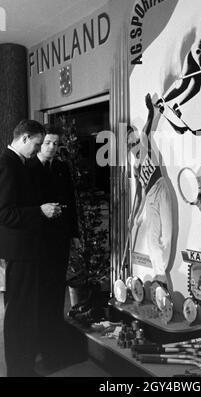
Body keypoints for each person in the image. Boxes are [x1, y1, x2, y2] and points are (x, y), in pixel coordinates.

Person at [0, 120, 61, 377]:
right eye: (37, 144)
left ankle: (22, 367)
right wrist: (40, 211)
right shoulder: (7, 163)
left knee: (24, 312)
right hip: (19, 253)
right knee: (18, 314)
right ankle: (18, 370)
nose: (38, 149)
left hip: (25, 251)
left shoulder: (17, 163)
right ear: (24, 138)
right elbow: (5, 213)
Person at [28, 125, 80, 372]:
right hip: (37, 242)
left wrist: (75, 233)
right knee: (39, 295)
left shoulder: (61, 168)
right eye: (48, 142)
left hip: (59, 240)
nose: (51, 147)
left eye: (55, 143)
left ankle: (54, 345)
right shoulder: (28, 168)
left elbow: (71, 201)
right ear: (40, 143)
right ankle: (39, 348)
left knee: (57, 294)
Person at [128, 94, 173, 284]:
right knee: (152, 241)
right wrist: (134, 214)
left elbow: (146, 132)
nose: (134, 146)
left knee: (167, 235)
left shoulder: (146, 147)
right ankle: (159, 277)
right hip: (149, 200)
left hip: (161, 189)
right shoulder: (135, 165)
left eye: (135, 141)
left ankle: (161, 277)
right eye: (130, 144)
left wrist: (150, 111)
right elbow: (139, 193)